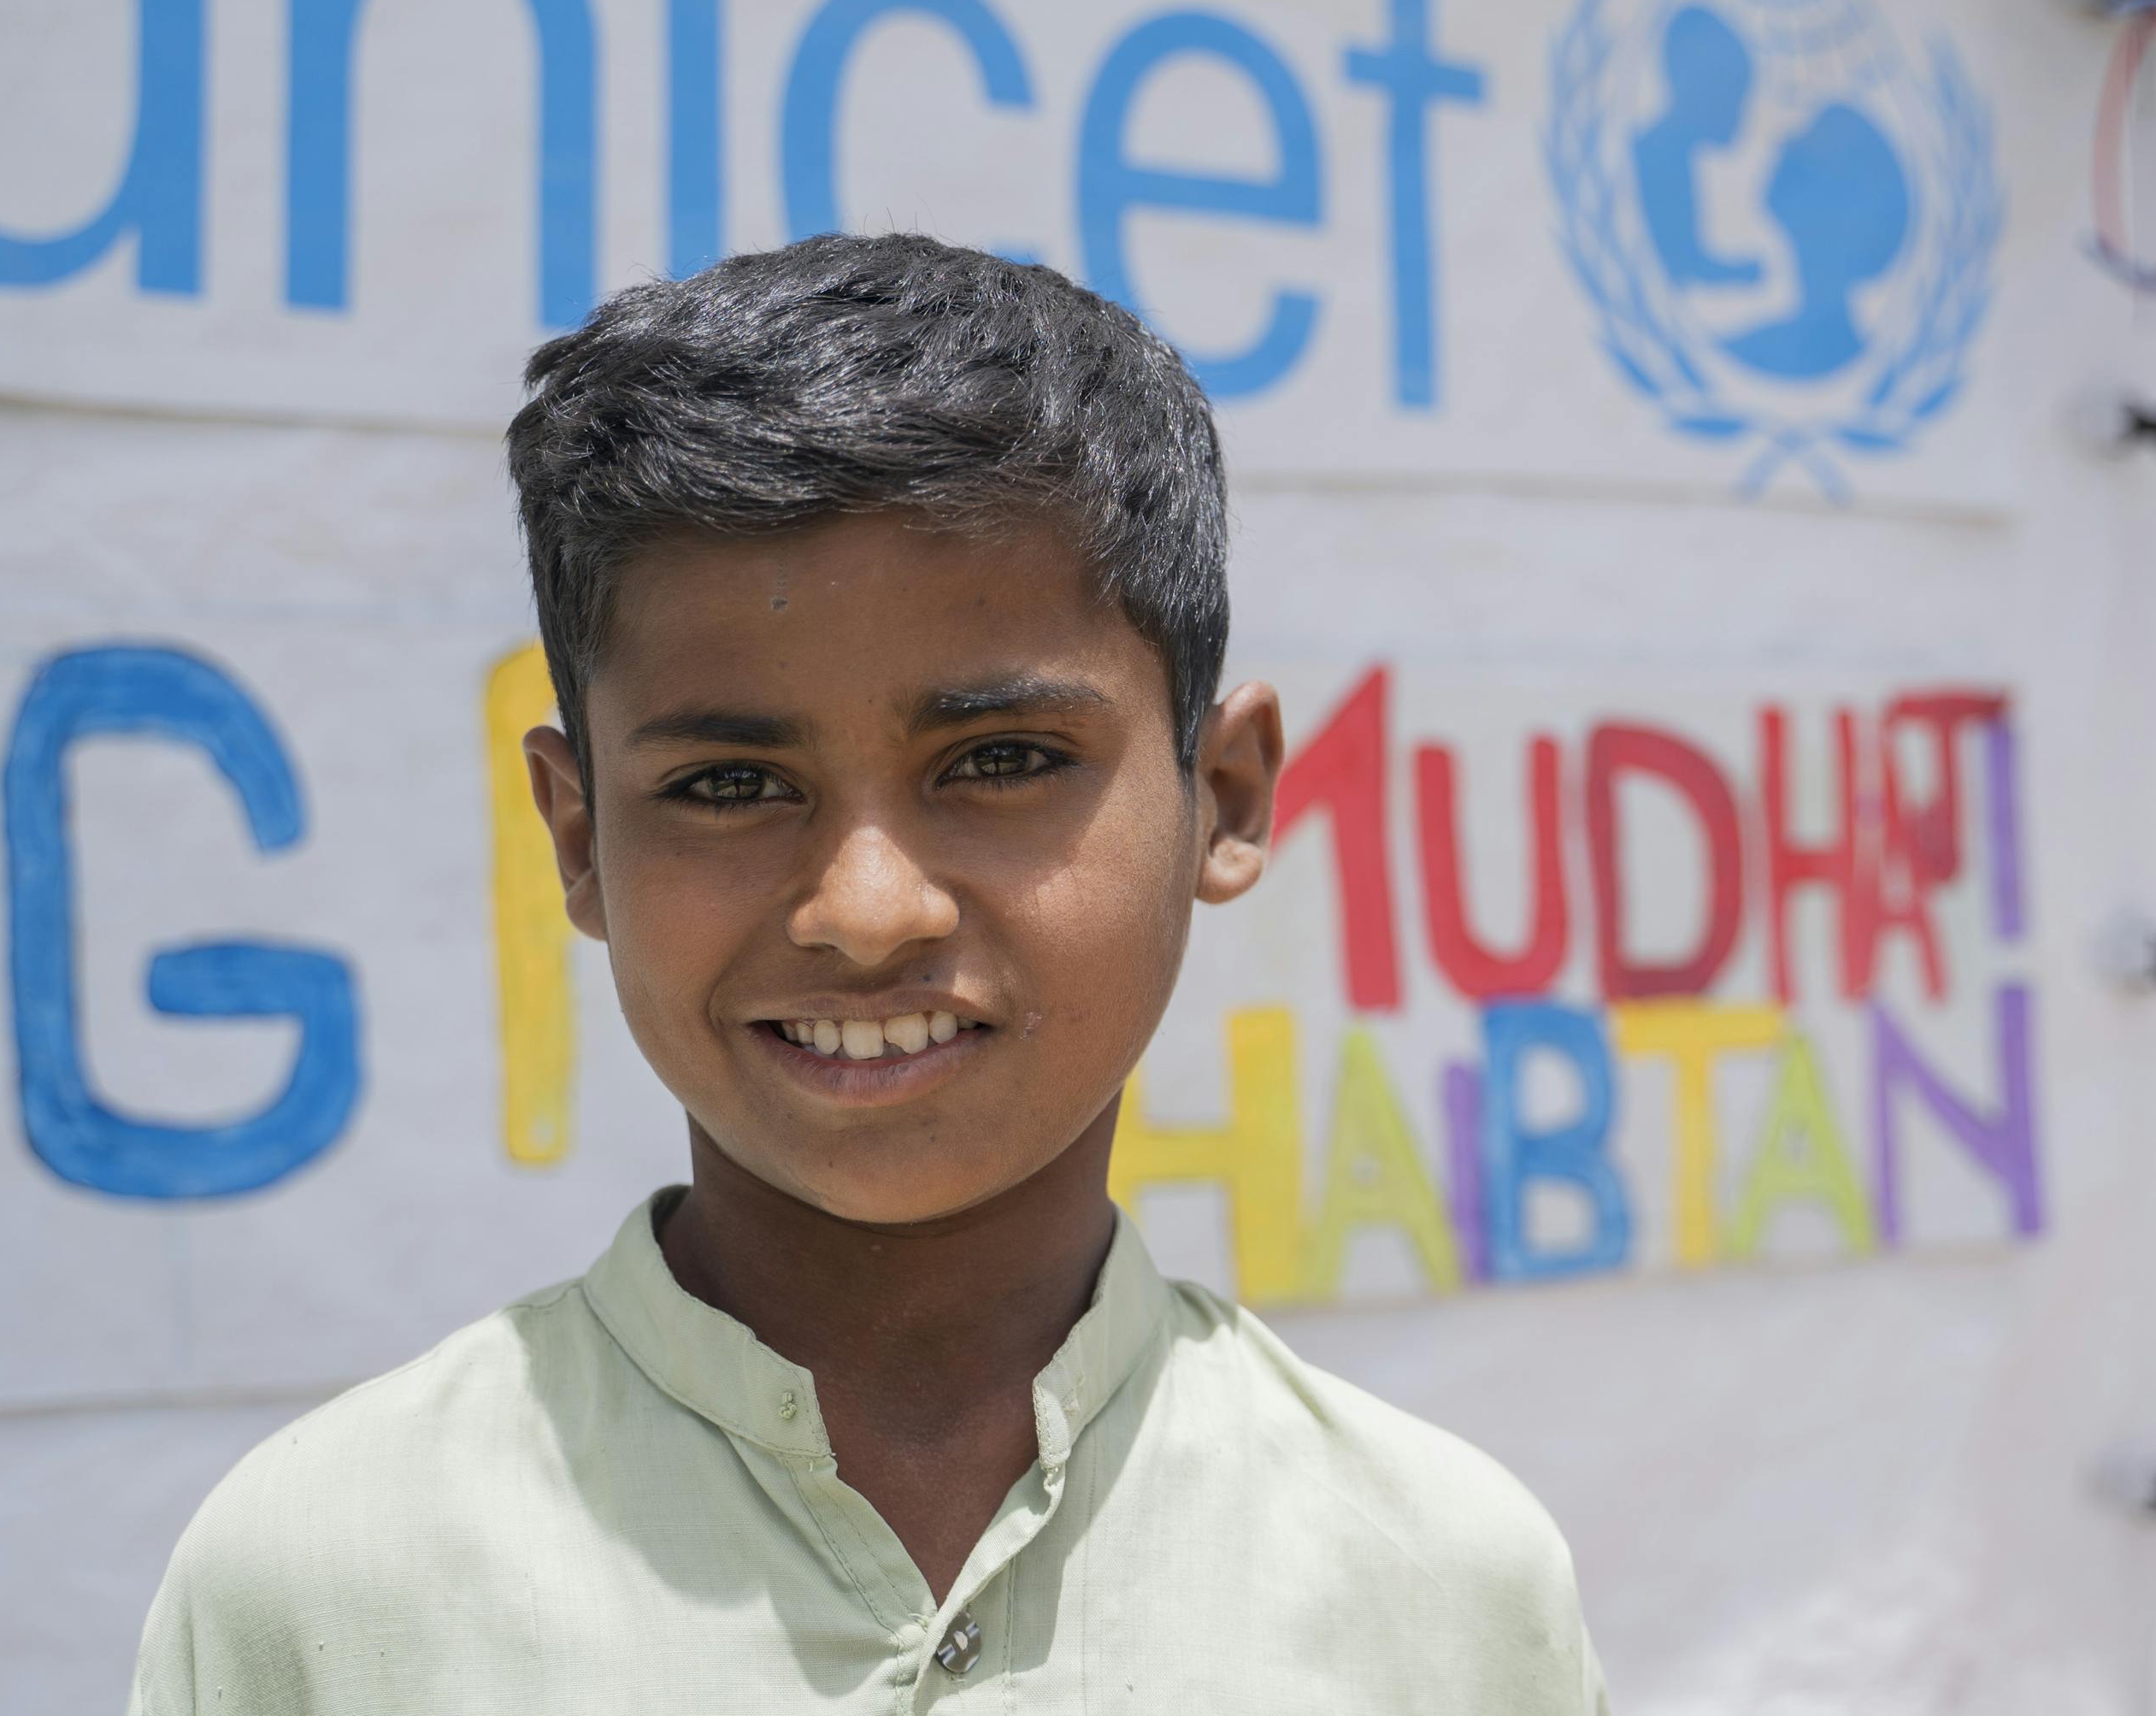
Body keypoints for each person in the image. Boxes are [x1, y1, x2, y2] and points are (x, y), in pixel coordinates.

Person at [124, 233, 1608, 1713]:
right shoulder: (320, 1587)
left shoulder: (1447, 1590)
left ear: (1221, 795)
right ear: (579, 839)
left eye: (1004, 760)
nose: (868, 908)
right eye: (726, 785)